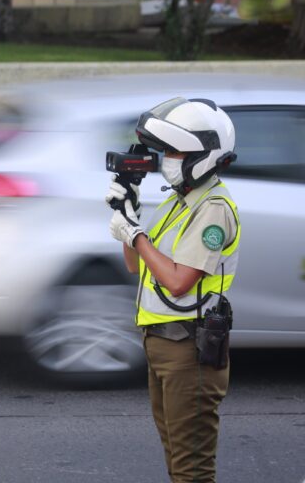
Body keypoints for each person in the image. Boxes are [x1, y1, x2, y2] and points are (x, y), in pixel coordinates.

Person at [107, 97, 241, 483]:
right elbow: (136, 264)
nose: (165, 158)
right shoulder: (175, 203)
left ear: (204, 155)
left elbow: (180, 282)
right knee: (176, 462)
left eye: (173, 150)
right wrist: (128, 212)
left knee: (191, 471)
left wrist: (136, 235)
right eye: (164, 149)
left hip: (189, 350)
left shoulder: (214, 208)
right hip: (161, 345)